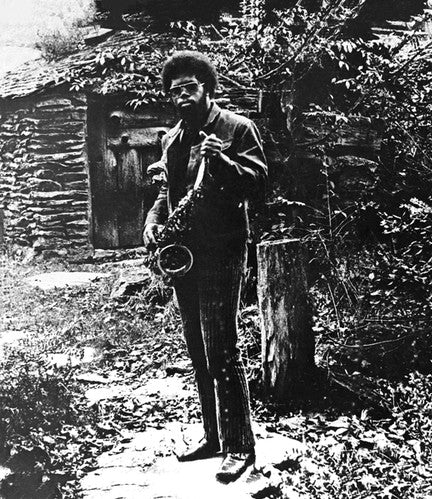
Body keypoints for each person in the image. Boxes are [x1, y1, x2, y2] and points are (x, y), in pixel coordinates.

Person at [143, 50, 267, 483]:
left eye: (190, 88)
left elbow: (259, 185)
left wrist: (224, 161)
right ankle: (213, 437)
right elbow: (168, 192)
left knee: (221, 348)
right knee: (197, 349)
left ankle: (240, 446)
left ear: (207, 88)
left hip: (222, 249)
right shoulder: (173, 138)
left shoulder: (237, 128)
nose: (182, 97)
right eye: (175, 91)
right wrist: (153, 221)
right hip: (186, 253)